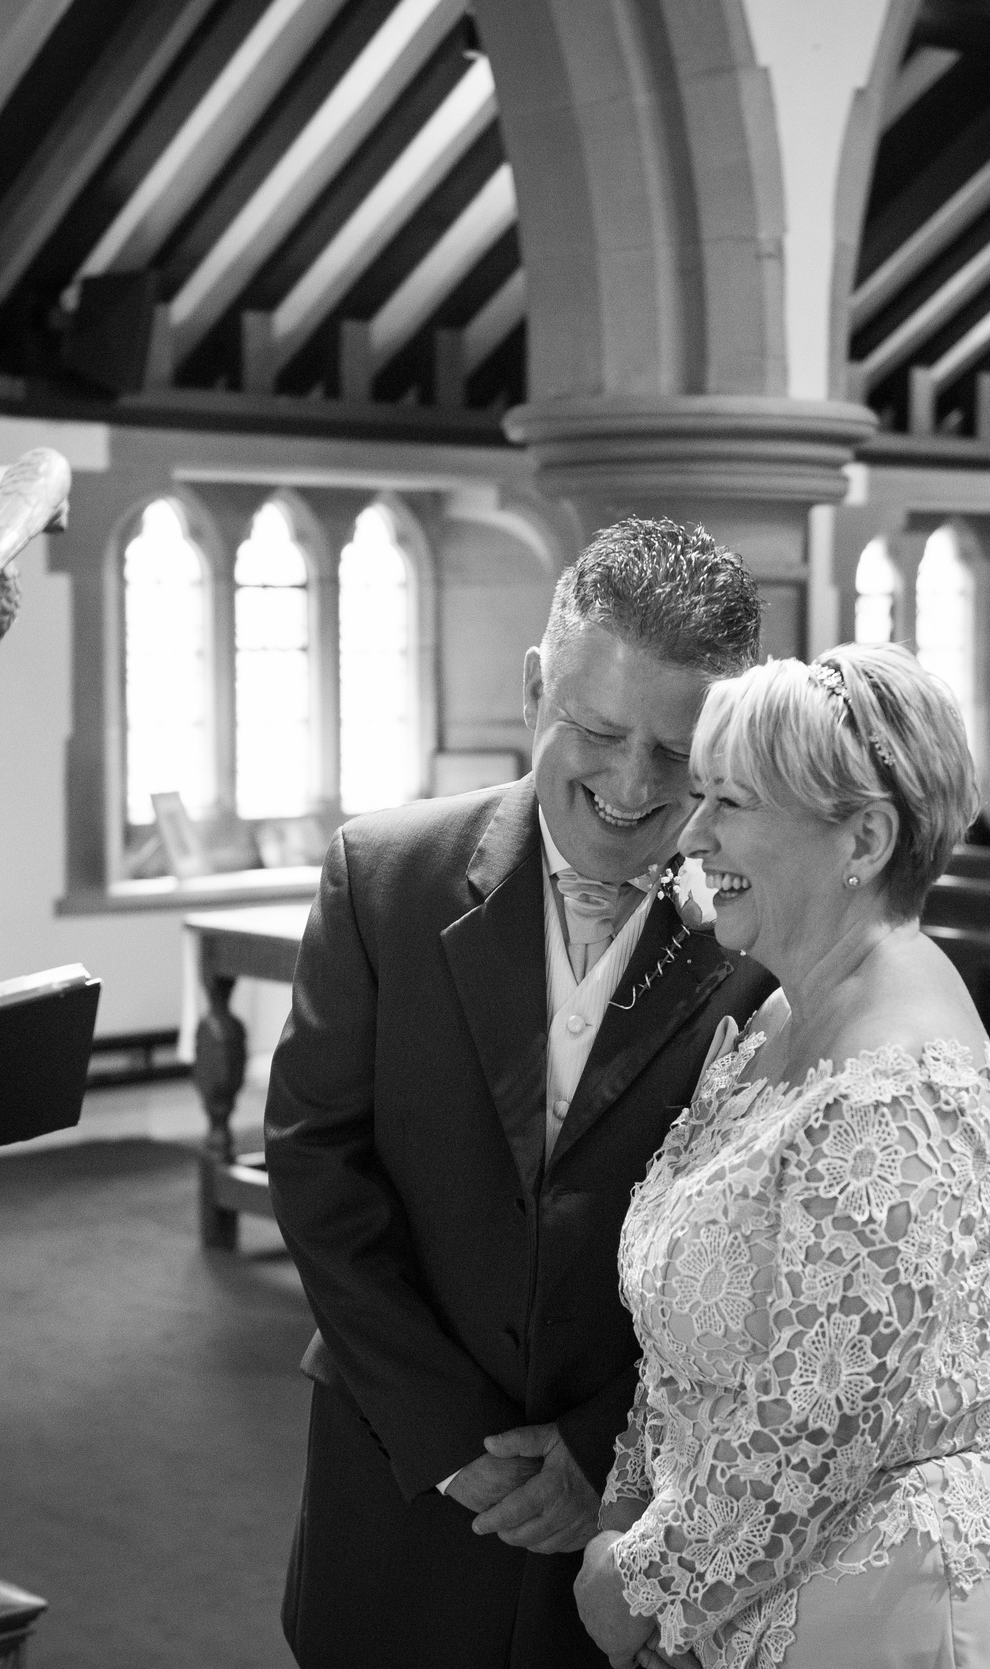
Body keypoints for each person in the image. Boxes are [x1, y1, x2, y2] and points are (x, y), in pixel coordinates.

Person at [265, 517, 778, 1669]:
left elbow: (765, 1244)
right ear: (535, 684)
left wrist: (601, 1444)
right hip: (399, 1476)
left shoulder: (762, 932)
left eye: (677, 750)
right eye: (596, 730)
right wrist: (454, 1441)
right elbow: (315, 1162)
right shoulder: (382, 877)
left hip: (631, 1518)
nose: (633, 786)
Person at [576, 644, 990, 1669]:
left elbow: (816, 1425)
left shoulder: (900, 1082)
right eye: (701, 795)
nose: (695, 831)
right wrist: (626, 1504)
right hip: (752, 1594)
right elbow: (688, 1337)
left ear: (864, 836)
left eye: (734, 803)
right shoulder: (771, 1015)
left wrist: (638, 1584)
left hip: (900, 1609)